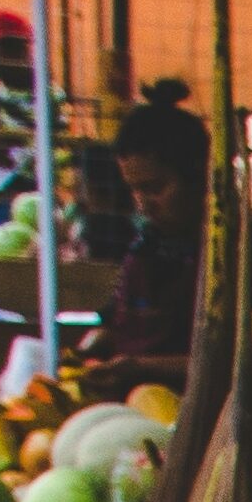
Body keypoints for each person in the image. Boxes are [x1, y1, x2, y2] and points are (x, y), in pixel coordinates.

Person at [87, 90, 194, 373]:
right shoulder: (146, 244)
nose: (143, 204)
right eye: (134, 189)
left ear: (198, 176)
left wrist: (140, 367)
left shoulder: (241, 252)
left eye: (155, 188)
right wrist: (85, 352)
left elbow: (236, 364)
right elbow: (113, 321)